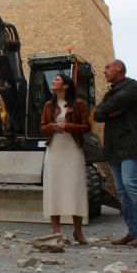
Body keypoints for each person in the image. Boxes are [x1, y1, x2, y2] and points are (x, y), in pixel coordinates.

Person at [94, 59, 137, 246]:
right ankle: (133, 231)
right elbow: (98, 113)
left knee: (131, 185)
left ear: (119, 68)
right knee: (122, 191)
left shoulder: (131, 86)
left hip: (128, 143)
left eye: (107, 67)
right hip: (113, 147)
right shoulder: (111, 92)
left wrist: (109, 110)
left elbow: (110, 106)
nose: (104, 71)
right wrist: (109, 111)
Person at [40, 74, 91, 244]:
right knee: (54, 188)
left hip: (72, 149)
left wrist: (67, 126)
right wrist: (53, 126)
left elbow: (86, 126)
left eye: (57, 80)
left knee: (75, 187)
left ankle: (78, 231)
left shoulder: (78, 104)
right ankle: (56, 232)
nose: (53, 82)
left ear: (66, 86)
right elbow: (42, 127)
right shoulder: (48, 105)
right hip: (54, 150)